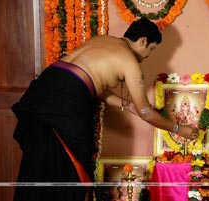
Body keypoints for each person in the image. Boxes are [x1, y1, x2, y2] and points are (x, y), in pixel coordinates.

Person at [12, 17, 197, 201]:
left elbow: (90, 84)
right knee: (69, 166)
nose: (148, 55)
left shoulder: (101, 40)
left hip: (46, 84)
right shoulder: (130, 63)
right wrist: (179, 129)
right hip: (67, 101)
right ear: (143, 41)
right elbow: (146, 113)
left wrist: (127, 105)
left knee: (39, 162)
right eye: (151, 48)